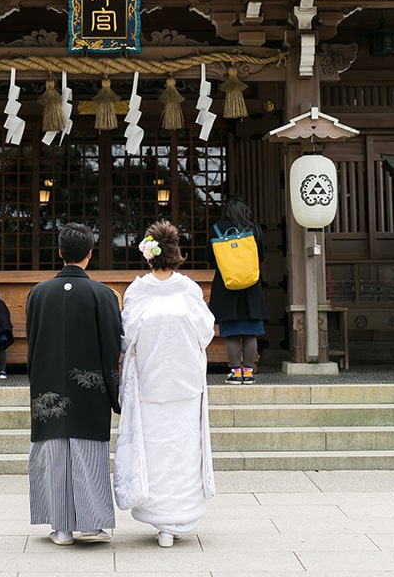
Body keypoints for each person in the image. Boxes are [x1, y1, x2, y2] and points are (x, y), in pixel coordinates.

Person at [113, 219, 215, 549]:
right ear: (176, 254)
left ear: (148, 255)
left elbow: (127, 337)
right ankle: (177, 518)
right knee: (183, 451)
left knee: (154, 451)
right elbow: (205, 332)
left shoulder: (139, 292)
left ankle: (160, 517)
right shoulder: (188, 290)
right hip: (184, 386)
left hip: (150, 383)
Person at [25, 222, 122, 547]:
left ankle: (60, 527)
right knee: (88, 454)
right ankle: (91, 525)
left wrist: (36, 379)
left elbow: (33, 341)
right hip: (89, 387)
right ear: (90, 254)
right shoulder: (102, 294)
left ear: (60, 252)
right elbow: (112, 344)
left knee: (53, 454)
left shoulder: (38, 293)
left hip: (48, 385)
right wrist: (114, 390)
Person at [207, 195, 267, 384]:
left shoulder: (217, 229)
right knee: (250, 332)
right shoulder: (254, 229)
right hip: (251, 285)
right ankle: (248, 373)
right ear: (246, 211)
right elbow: (262, 256)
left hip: (227, 285)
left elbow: (210, 257)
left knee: (231, 333)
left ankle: (235, 373)